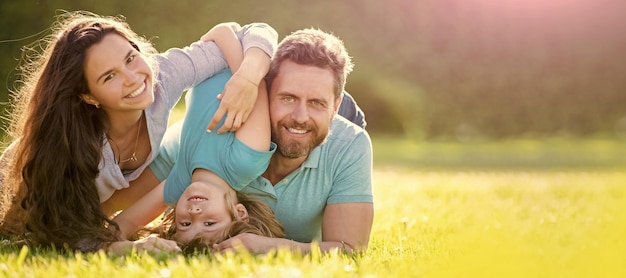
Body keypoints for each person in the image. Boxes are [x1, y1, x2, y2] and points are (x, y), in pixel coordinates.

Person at [0, 10, 277, 253]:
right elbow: (68, 235)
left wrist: (247, 80)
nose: (132, 78)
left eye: (131, 58)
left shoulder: (161, 77)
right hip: (18, 189)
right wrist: (124, 248)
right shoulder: (77, 151)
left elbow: (251, 32)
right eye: (109, 76)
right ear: (88, 96)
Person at [150, 28, 374, 254]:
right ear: (264, 92)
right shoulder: (209, 137)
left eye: (317, 102)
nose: (300, 116)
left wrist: (269, 247)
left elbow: (350, 250)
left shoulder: (350, 145)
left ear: (334, 107)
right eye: (288, 97)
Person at [110, 26, 283, 251]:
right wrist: (225, 35)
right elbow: (249, 82)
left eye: (185, 223)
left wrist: (136, 248)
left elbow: (116, 228)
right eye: (209, 223)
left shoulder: (178, 186)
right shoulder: (245, 161)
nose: (194, 213)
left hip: (209, 53)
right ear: (240, 213)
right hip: (247, 47)